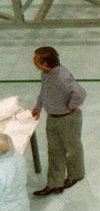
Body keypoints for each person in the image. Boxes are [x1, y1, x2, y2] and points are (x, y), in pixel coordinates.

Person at [30, 47, 86, 197]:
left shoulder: (62, 76)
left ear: (45, 63)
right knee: (54, 151)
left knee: (72, 148)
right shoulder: (45, 74)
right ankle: (55, 183)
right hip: (53, 118)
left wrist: (71, 105)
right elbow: (44, 91)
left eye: (36, 60)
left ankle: (76, 174)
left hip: (68, 120)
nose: (33, 62)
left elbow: (80, 93)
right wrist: (38, 107)